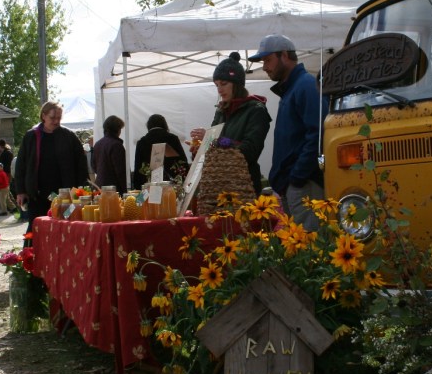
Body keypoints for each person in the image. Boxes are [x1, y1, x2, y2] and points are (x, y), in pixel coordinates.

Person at [249, 34, 326, 230]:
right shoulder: (292, 88)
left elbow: (318, 134)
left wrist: (297, 178)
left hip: (304, 186)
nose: (265, 67)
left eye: (267, 60)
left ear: (284, 55)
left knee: (310, 248)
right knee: (300, 250)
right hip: (294, 187)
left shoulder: (306, 85)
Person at [194, 52, 271, 195]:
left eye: (224, 83)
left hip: (244, 186)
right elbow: (214, 148)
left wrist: (214, 139)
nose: (219, 89)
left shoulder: (256, 110)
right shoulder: (221, 111)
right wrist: (200, 146)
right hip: (219, 185)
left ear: (237, 84)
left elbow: (250, 151)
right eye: (217, 85)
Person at [14, 101, 91, 227]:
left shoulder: (69, 137)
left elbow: (81, 165)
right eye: (52, 118)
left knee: (65, 226)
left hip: (66, 197)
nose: (56, 121)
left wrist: (81, 190)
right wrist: (21, 191)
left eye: (58, 118)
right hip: (37, 195)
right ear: (43, 116)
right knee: (36, 228)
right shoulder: (31, 136)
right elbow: (21, 165)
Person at [132, 114, 189, 189]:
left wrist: (138, 188)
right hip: (171, 186)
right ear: (164, 124)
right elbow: (182, 161)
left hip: (149, 186)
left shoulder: (142, 142)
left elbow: (138, 167)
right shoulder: (172, 139)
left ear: (148, 126)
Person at [92, 115, 128, 193]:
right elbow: (120, 171)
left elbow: (94, 166)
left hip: (99, 186)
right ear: (118, 130)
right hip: (113, 189)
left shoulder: (97, 144)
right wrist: (125, 191)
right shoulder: (116, 145)